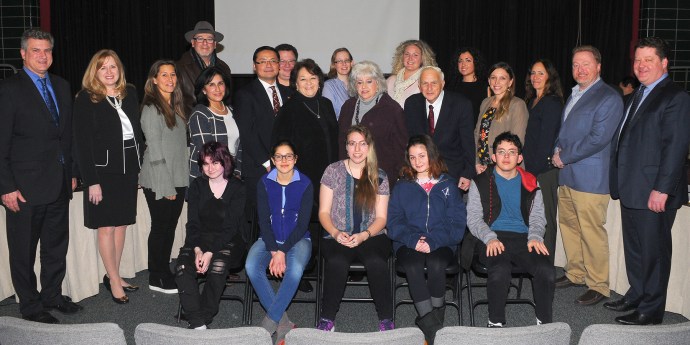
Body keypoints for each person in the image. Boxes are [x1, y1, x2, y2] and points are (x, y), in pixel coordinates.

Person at [0, 28, 82, 323]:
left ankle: (52, 296)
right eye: (36, 50)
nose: (43, 56)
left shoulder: (61, 85)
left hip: (59, 183)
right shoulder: (9, 90)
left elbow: (67, 136)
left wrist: (72, 172)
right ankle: (31, 307)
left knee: (55, 247)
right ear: (23, 54)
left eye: (47, 50)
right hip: (23, 189)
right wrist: (6, 187)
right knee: (23, 252)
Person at [607, 37, 690, 325]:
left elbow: (675, 148)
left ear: (664, 63)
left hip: (654, 192)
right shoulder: (633, 97)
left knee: (653, 253)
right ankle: (638, 293)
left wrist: (662, 189)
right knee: (634, 248)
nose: (641, 66)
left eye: (648, 60)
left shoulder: (675, 97)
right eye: (637, 60)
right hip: (631, 188)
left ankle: (651, 309)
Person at [552, 45, 623, 306]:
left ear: (599, 67)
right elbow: (565, 131)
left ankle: (598, 285)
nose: (580, 69)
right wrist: (556, 150)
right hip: (568, 174)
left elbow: (598, 139)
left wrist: (564, 156)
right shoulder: (574, 95)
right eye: (575, 65)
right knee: (569, 227)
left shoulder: (608, 97)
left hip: (591, 178)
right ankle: (575, 273)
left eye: (585, 64)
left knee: (591, 232)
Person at [73, 49, 144, 304]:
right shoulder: (86, 98)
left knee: (122, 223)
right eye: (103, 67)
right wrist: (91, 180)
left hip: (128, 168)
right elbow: (82, 143)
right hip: (103, 171)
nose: (109, 72)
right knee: (106, 226)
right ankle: (114, 280)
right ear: (95, 71)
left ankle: (114, 273)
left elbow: (137, 133)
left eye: (113, 66)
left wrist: (139, 166)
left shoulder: (130, 93)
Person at [466, 131, 554, 328]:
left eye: (512, 152)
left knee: (546, 270)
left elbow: (538, 217)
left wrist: (535, 236)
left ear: (520, 157)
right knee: (500, 270)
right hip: (492, 236)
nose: (506, 157)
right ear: (494, 156)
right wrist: (489, 238)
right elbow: (473, 218)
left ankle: (545, 323)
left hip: (524, 237)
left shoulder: (531, 182)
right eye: (501, 152)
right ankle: (495, 322)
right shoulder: (479, 182)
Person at [387, 135, 465, 344]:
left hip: (442, 241)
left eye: (421, 155)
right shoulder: (403, 186)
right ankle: (435, 331)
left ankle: (431, 323)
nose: (417, 161)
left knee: (436, 262)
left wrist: (434, 241)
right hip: (408, 241)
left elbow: (457, 223)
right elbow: (393, 223)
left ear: (432, 155)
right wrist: (414, 241)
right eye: (412, 157)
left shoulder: (448, 184)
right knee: (412, 265)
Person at [317, 125, 394, 332]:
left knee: (376, 262)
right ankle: (327, 319)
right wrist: (335, 232)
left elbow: (381, 217)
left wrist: (364, 235)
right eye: (352, 144)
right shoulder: (332, 171)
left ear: (369, 147)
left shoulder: (379, 175)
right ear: (346, 147)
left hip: (372, 235)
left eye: (362, 144)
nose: (357, 149)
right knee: (337, 261)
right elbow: (323, 212)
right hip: (337, 234)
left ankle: (386, 319)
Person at [245, 140, 312, 343]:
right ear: (273, 160)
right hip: (268, 238)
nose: (284, 160)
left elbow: (302, 225)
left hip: (299, 239)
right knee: (250, 265)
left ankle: (268, 323)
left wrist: (282, 251)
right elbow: (264, 221)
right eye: (279, 156)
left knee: (295, 270)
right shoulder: (264, 182)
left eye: (289, 156)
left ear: (295, 159)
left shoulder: (306, 183)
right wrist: (274, 249)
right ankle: (283, 323)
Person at [175, 142, 246, 330]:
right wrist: (198, 250)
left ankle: (201, 316)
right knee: (182, 267)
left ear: (225, 162)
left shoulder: (238, 188)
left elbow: (231, 228)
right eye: (205, 164)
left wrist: (210, 253)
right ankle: (198, 322)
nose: (210, 168)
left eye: (215, 162)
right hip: (199, 238)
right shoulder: (197, 185)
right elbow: (193, 223)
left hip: (229, 240)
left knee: (218, 266)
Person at [139, 60, 190, 294]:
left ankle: (163, 271)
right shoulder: (152, 108)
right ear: (154, 80)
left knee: (169, 227)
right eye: (164, 75)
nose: (170, 79)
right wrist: (166, 185)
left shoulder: (177, 107)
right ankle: (156, 276)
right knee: (161, 227)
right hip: (160, 179)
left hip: (177, 178)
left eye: (173, 75)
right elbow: (156, 151)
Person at [235, 46, 293, 208]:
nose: (269, 65)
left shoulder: (289, 93)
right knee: (262, 219)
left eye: (273, 61)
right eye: (263, 61)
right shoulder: (245, 94)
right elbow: (247, 133)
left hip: (287, 166)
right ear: (255, 66)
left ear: (279, 65)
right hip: (259, 168)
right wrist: (268, 162)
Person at [404, 66, 475, 191]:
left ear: (442, 84)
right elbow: (409, 140)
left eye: (434, 83)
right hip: (419, 174)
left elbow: (468, 143)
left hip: (451, 173)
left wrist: (468, 173)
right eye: (425, 83)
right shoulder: (411, 104)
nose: (429, 88)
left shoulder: (461, 105)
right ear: (419, 86)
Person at [338, 61, 407, 187]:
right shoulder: (348, 107)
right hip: (350, 176)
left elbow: (401, 147)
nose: (364, 86)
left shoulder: (392, 109)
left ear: (378, 83)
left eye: (369, 81)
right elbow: (341, 141)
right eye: (359, 82)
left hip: (380, 176)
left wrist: (396, 176)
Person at [522, 58, 564, 263]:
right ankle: (535, 259)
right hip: (530, 169)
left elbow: (547, 140)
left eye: (541, 73)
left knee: (546, 218)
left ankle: (546, 264)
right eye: (533, 73)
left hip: (544, 171)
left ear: (550, 76)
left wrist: (534, 172)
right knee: (534, 217)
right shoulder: (531, 101)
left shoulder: (552, 102)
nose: (535, 77)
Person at [188, 66, 241, 185]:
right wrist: (226, 176)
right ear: (203, 89)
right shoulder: (200, 113)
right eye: (211, 84)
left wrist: (237, 172)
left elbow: (240, 146)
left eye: (220, 83)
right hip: (208, 177)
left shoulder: (232, 110)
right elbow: (207, 153)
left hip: (231, 175)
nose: (217, 89)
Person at [474, 62, 528, 176]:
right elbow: (477, 134)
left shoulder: (517, 104)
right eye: (493, 78)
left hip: (505, 168)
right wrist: (477, 162)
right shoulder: (485, 103)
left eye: (502, 78)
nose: (496, 82)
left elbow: (517, 142)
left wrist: (499, 166)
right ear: (489, 81)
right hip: (483, 168)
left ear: (510, 82)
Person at [176, 21, 232, 115]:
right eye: (200, 39)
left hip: (219, 123)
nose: (205, 43)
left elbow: (227, 100)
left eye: (209, 39)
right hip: (190, 125)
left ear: (214, 44)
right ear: (193, 43)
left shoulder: (225, 68)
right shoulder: (179, 67)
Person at [386, 40, 438, 108]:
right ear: (402, 57)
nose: (410, 58)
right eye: (407, 54)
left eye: (415, 55)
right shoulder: (391, 80)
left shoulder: (426, 81)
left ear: (423, 58)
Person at [448, 47, 489, 127]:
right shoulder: (451, 87)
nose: (463, 64)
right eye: (460, 61)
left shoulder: (485, 87)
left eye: (468, 60)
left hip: (477, 133)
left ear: (476, 63)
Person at [322, 48, 354, 120]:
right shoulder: (328, 86)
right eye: (339, 61)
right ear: (334, 65)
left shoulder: (359, 84)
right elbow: (328, 116)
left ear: (351, 63)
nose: (344, 64)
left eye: (347, 60)